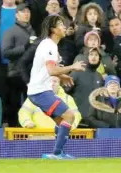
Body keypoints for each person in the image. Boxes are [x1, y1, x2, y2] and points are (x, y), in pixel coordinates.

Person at [26, 15, 86, 159]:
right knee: (70, 115)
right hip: (40, 91)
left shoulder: (50, 45)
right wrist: (73, 67)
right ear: (53, 29)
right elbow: (52, 70)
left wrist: (63, 76)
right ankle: (57, 154)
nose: (64, 27)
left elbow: (47, 70)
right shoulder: (49, 45)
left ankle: (57, 154)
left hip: (39, 91)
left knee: (62, 121)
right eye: (61, 24)